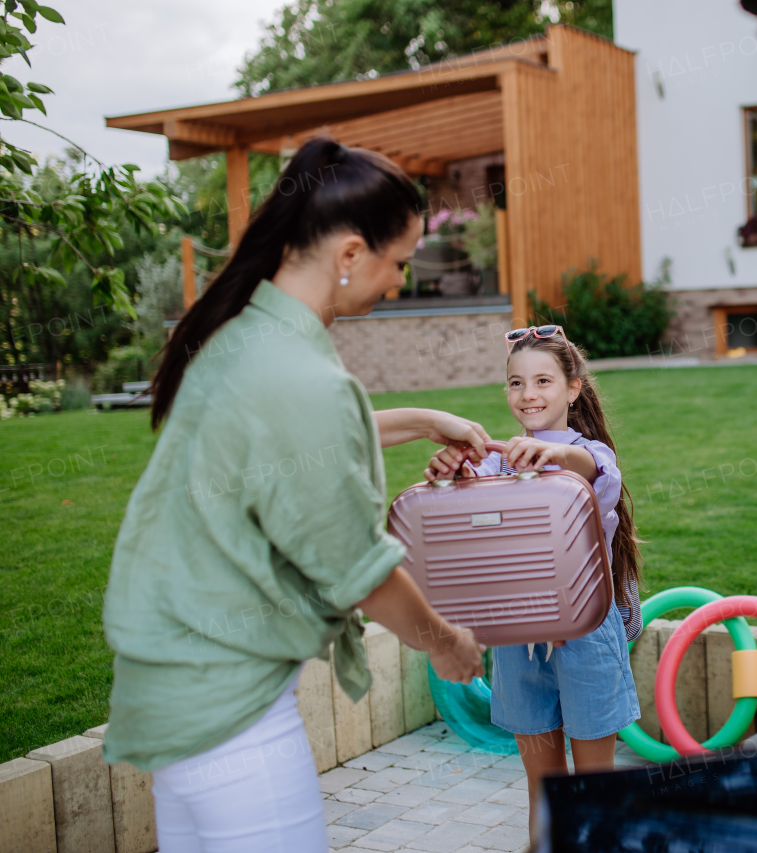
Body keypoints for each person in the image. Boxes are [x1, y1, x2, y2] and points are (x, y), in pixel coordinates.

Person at [101, 137, 490, 853]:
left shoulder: (241, 335)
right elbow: (359, 570)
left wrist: (427, 419)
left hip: (171, 701)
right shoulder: (299, 378)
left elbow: (289, 455)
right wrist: (447, 645)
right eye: (398, 262)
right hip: (232, 722)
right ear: (348, 255)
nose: (399, 282)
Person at [427, 324, 643, 841]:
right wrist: (449, 474)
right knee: (542, 788)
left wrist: (552, 455)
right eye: (516, 383)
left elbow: (588, 469)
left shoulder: (589, 454)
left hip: (586, 635)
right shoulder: (496, 461)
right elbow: (462, 528)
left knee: (592, 790)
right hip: (516, 640)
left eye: (543, 381)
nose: (528, 395)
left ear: (572, 388)